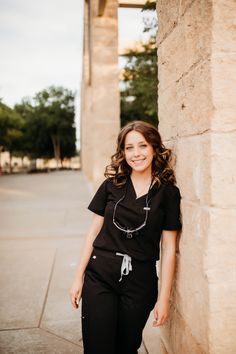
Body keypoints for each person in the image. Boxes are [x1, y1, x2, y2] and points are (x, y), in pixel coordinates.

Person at [69, 120, 182, 354]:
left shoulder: (168, 193)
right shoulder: (112, 185)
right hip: (100, 275)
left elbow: (169, 248)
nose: (136, 153)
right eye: (129, 148)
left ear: (154, 148)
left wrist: (164, 299)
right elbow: (93, 232)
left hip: (140, 282)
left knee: (126, 347)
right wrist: (78, 276)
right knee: (99, 347)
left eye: (142, 146)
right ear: (122, 152)